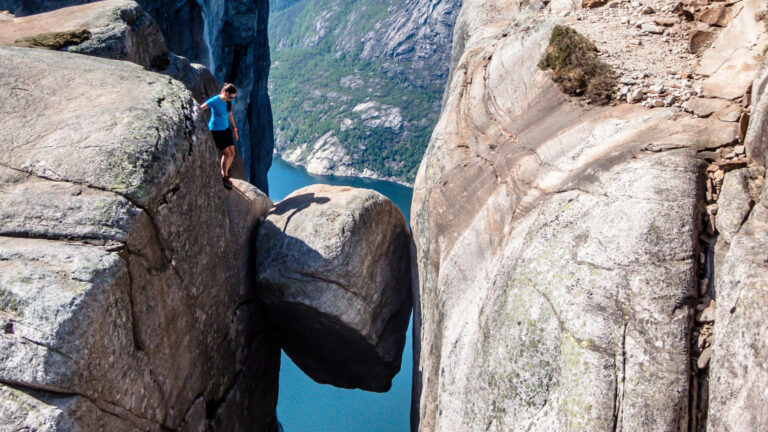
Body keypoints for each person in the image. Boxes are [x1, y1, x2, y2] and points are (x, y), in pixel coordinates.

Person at [201, 83, 239, 189]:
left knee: (232, 153)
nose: (232, 99)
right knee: (227, 154)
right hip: (216, 131)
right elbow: (201, 108)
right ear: (225, 93)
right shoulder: (215, 100)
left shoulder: (228, 102)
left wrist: (235, 129)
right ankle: (225, 176)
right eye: (231, 97)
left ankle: (225, 172)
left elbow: (230, 114)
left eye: (233, 98)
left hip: (226, 129)